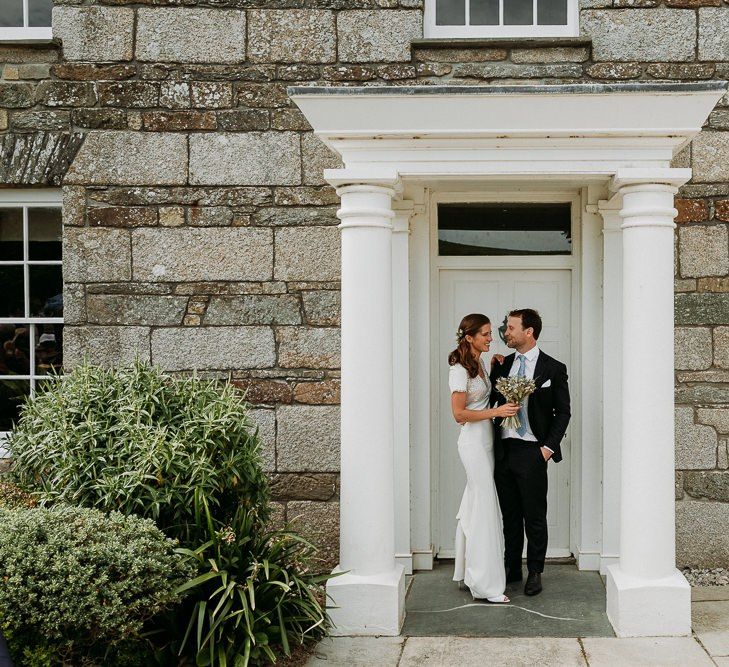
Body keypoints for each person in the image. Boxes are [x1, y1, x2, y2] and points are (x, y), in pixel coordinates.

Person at [490, 308, 571, 597]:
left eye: (511, 328)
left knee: (534, 516)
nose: (506, 333)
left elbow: (563, 412)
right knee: (509, 515)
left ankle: (535, 571)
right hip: (503, 449)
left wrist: (547, 449)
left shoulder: (553, 368)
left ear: (529, 332)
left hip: (533, 452)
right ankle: (511, 568)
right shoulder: (501, 364)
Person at [448, 313, 520, 603]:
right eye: (486, 334)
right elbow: (459, 415)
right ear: (469, 337)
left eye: (492, 333)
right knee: (484, 507)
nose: (492, 338)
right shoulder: (457, 369)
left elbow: (481, 397)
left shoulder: (477, 363)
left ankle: (466, 571)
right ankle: (485, 584)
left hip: (488, 443)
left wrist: (491, 368)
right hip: (473, 444)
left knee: (474, 503)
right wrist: (496, 413)